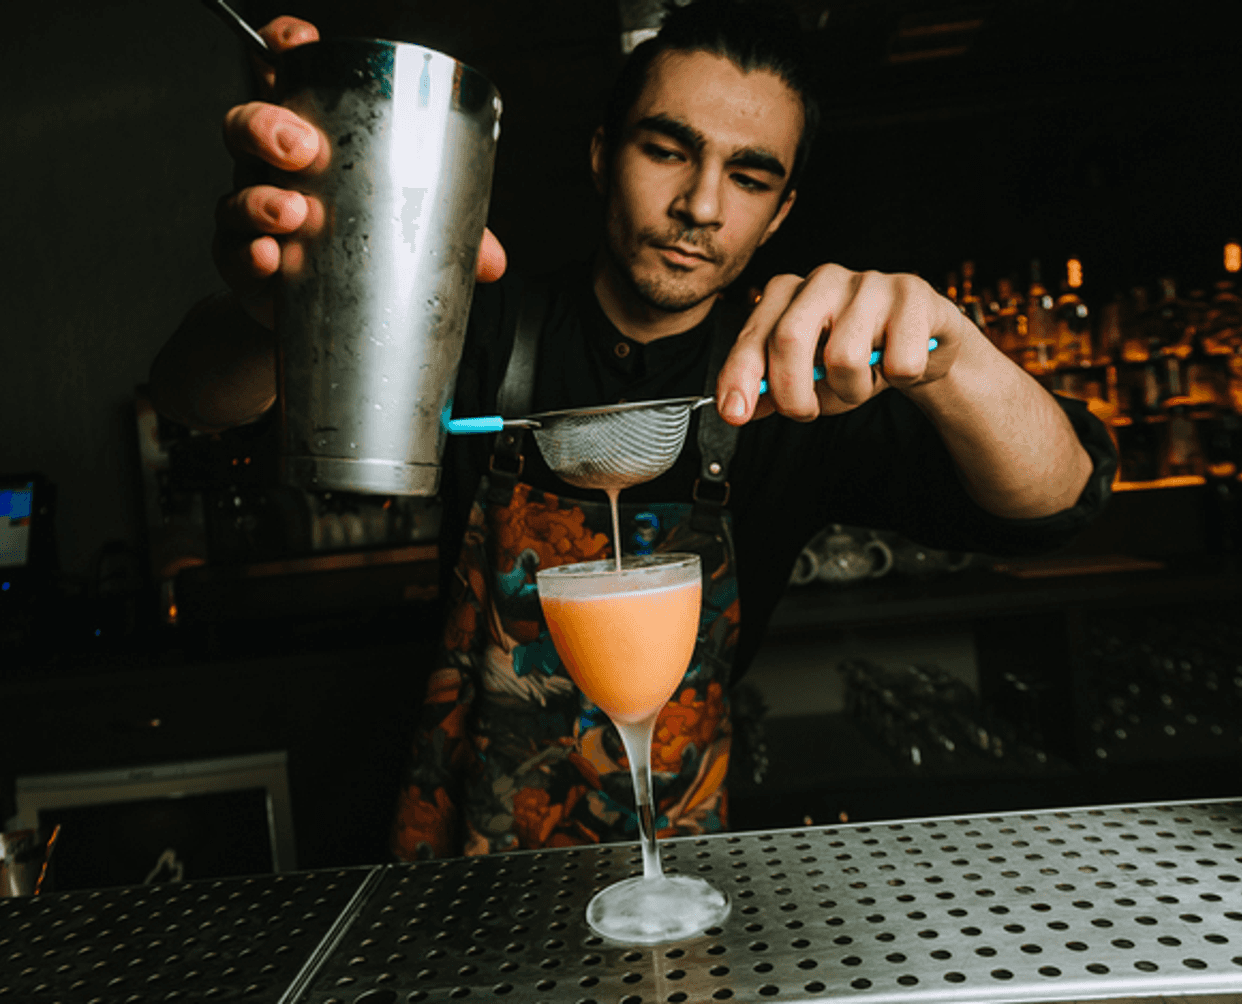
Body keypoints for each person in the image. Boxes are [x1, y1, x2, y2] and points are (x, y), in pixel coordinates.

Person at [151, 1, 1116, 860]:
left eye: (749, 176)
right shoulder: (479, 320)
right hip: (465, 846)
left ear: (780, 214)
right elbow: (199, 402)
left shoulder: (795, 382)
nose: (701, 206)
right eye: (666, 150)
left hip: (685, 851)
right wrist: (275, 306)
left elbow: (1058, 503)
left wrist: (956, 357)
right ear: (601, 153)